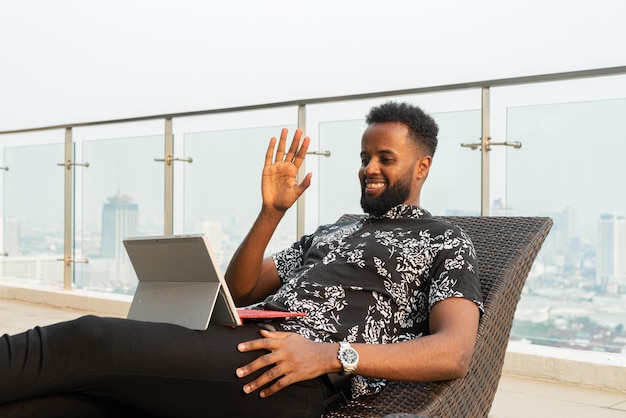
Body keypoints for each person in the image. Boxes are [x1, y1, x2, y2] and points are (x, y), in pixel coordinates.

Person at [0, 101, 483, 418]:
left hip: (291, 374)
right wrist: (271, 213)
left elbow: (454, 352)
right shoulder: (338, 228)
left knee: (92, 338)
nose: (368, 169)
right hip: (236, 343)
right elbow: (242, 290)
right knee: (71, 402)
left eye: (385, 158)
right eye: (363, 157)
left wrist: (330, 355)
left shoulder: (446, 240)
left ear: (422, 167)